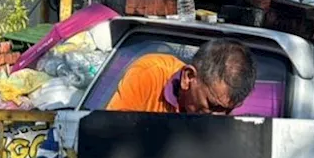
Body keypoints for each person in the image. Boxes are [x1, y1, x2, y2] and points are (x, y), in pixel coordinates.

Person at [105, 38, 257, 115]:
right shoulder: (150, 73)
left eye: (225, 110)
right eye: (211, 105)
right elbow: (112, 132)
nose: (216, 116)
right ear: (188, 77)